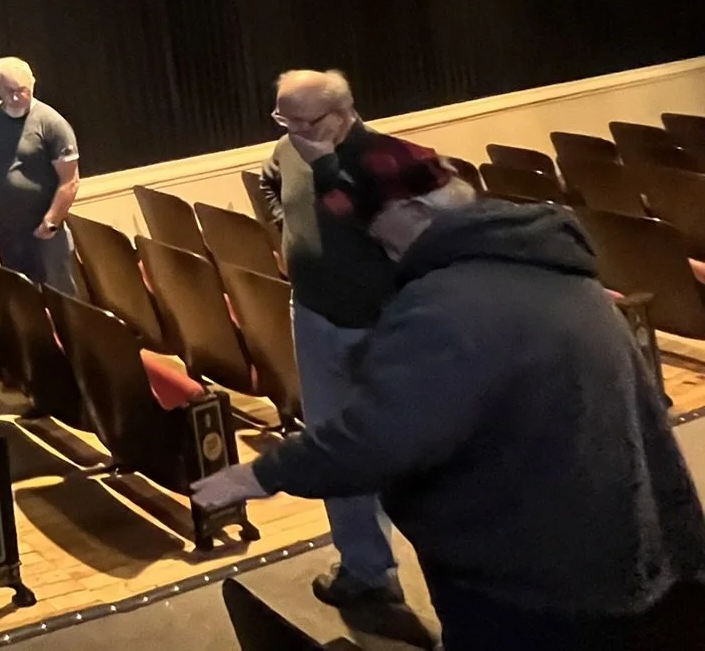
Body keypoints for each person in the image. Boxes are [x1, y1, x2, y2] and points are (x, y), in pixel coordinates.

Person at [198, 130, 705, 650]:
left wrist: (259, 474)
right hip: (628, 542)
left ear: (416, 211)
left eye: (377, 229)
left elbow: (376, 439)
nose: (377, 246)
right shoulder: (549, 266)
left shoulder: (444, 306)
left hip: (535, 581)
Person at [256, 68, 406, 612]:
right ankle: (366, 572)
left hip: (381, 327)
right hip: (314, 318)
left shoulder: (386, 164)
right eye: (283, 118)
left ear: (344, 114)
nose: (293, 130)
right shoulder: (289, 148)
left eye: (306, 120)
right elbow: (268, 180)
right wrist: (286, 231)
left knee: (408, 453)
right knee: (333, 447)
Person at [0, 57, 78, 294]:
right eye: (9, 91)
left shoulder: (52, 123)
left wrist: (50, 222)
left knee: (58, 293)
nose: (16, 97)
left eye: (22, 90)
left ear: (32, 84)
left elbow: (70, 181)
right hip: (6, 224)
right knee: (20, 292)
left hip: (42, 226)